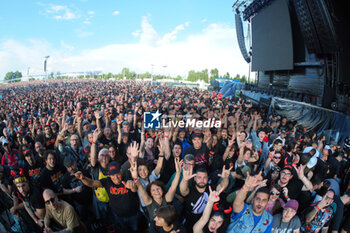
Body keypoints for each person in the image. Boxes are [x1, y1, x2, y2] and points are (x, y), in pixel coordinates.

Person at [75, 161, 140, 232]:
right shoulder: (107, 182)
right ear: (109, 175)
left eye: (117, 174)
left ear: (121, 171)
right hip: (117, 217)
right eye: (112, 175)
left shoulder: (128, 179)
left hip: (133, 216)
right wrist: (83, 178)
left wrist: (132, 186)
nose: (116, 177)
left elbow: (134, 189)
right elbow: (92, 183)